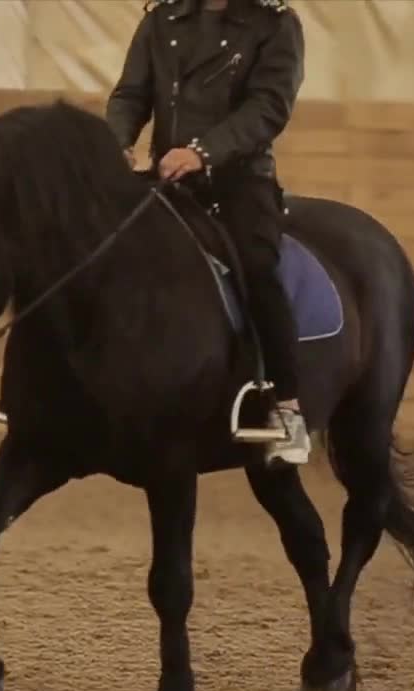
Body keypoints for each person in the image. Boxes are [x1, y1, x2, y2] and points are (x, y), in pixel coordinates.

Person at [105, 0, 311, 466]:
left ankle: (286, 407)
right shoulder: (162, 19)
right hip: (166, 180)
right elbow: (130, 94)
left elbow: (268, 108)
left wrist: (202, 152)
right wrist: (116, 141)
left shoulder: (275, 25)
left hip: (238, 184)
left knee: (257, 268)